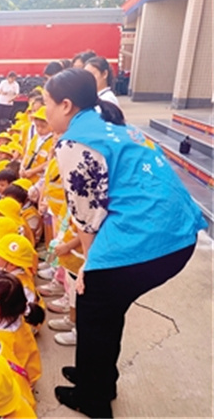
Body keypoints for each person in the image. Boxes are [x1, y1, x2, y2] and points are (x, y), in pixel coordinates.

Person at [43, 68, 206, 417]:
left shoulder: (75, 141)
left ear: (67, 105)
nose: (44, 112)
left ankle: (93, 398)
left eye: (46, 104)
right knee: (103, 310)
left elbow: (88, 217)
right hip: (177, 232)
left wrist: (90, 266)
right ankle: (96, 376)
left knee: (94, 309)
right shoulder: (113, 127)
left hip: (149, 238)